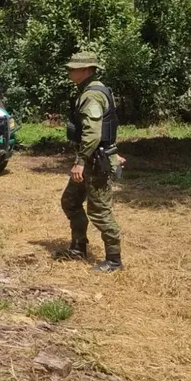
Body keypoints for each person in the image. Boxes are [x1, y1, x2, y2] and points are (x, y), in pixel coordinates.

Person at [60, 51, 126, 272]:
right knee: (70, 201)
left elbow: (93, 133)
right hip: (95, 157)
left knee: (100, 211)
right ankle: (78, 248)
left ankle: (114, 260)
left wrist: (80, 161)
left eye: (73, 68)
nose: (69, 71)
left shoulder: (92, 95)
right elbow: (108, 125)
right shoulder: (94, 90)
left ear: (87, 70)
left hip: (94, 162)